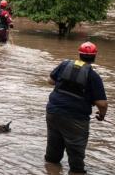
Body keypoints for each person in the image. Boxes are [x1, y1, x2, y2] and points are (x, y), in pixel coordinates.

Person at [45, 42, 108, 174]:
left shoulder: (64, 64)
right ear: (94, 57)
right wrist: (101, 115)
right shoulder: (93, 76)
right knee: (76, 154)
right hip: (76, 119)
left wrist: (65, 84)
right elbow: (102, 104)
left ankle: (50, 169)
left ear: (79, 54)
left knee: (53, 147)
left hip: (53, 112)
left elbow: (50, 80)